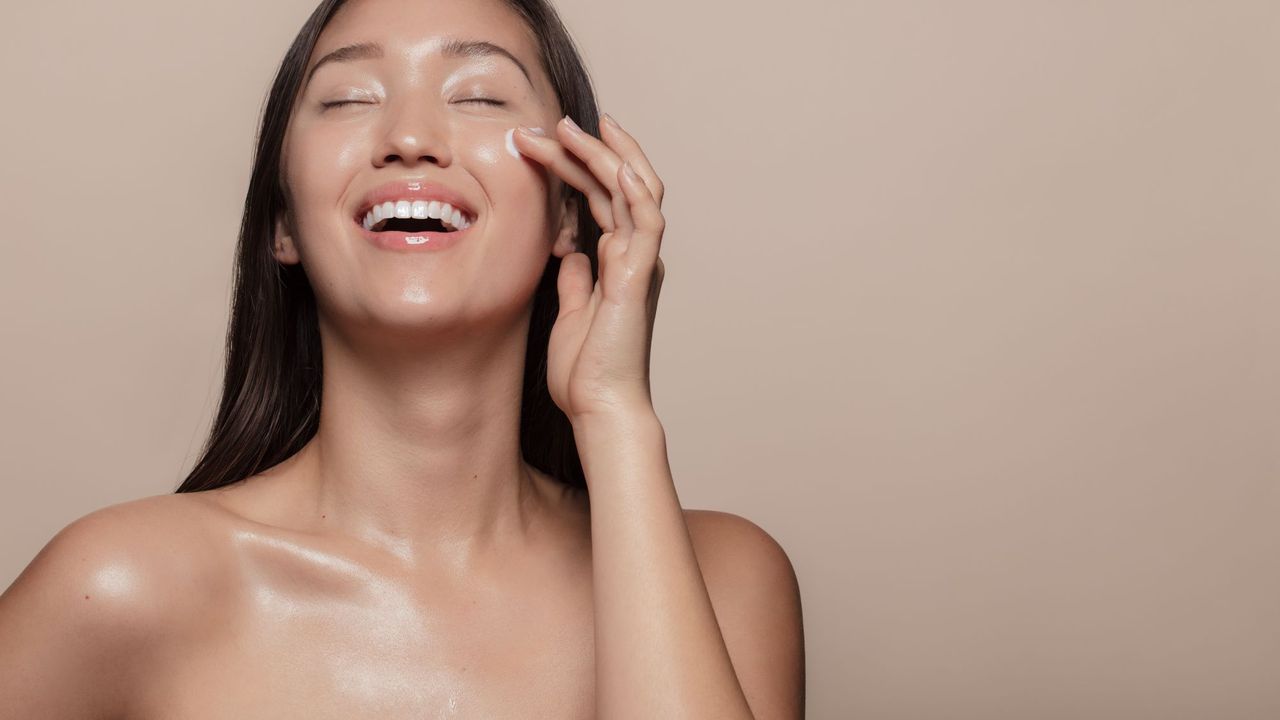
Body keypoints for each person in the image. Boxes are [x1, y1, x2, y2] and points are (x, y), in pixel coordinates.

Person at [0, 0, 805, 716]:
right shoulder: (119, 589)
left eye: (480, 95)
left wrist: (616, 417)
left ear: (572, 210)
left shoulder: (725, 580)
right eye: (350, 99)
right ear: (283, 223)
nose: (410, 139)